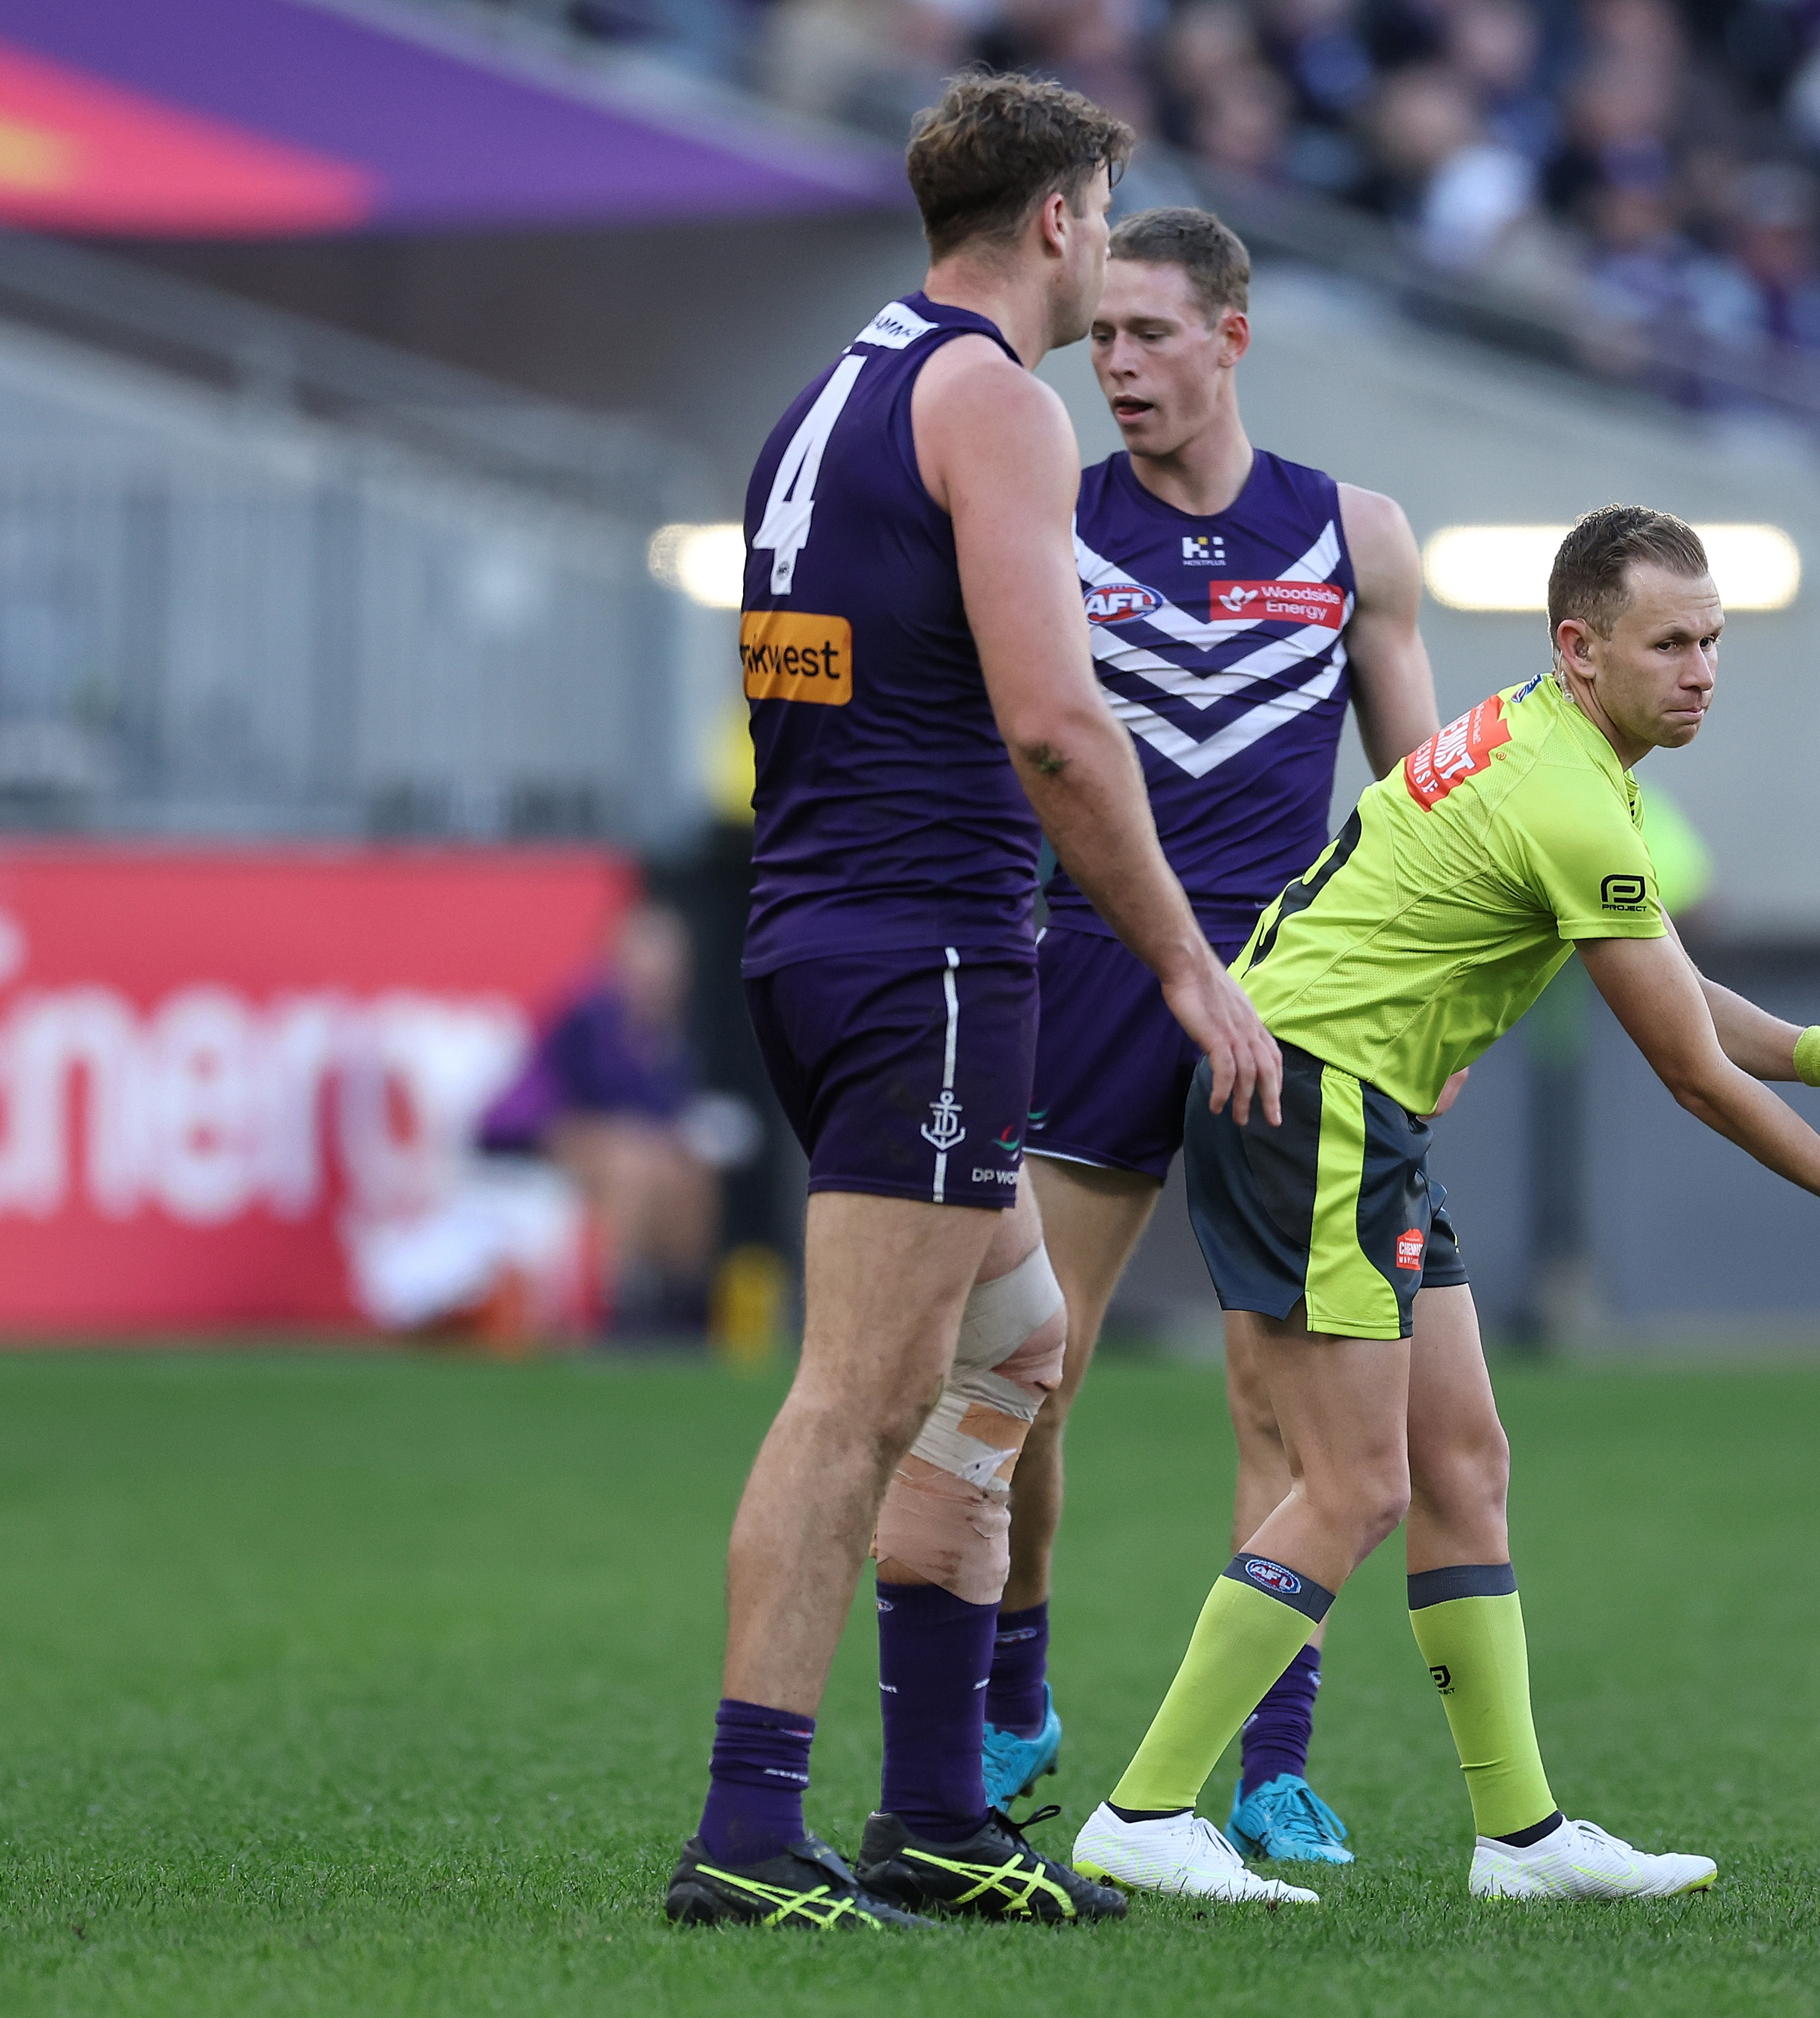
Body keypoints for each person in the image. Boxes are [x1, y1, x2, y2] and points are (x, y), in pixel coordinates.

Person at [1067, 505, 1820, 1905]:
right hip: (1321, 1102)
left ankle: (1518, 1840)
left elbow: (1667, 972)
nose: (1703, 668)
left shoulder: (1556, 742)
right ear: (1579, 648)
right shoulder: (1574, 795)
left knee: (1466, 1463)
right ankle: (1144, 1808)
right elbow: (1693, 1076)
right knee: (1353, 1486)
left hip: (1353, 1104)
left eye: (1713, 641)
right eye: (1671, 643)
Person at [661, 73, 1283, 1936]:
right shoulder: (992, 397)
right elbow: (1050, 721)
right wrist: (1183, 960)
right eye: (1106, 211)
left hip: (815, 938)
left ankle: (933, 1813)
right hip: (924, 954)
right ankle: (746, 1838)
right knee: (856, 1400)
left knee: (1015, 1351)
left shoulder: (825, 390)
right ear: (1062, 224)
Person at [975, 205, 1446, 1868]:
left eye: (1148, 335)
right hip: (1096, 968)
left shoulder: (1353, 534)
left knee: (1286, 1413)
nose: (1114, 367)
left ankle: (1273, 1766)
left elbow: (1423, 807)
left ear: (1231, 337)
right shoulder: (1047, 520)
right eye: (1097, 338)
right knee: (1026, 1368)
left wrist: (1424, 1003)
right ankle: (1014, 1681)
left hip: (1296, 997)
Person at [479, 901, 746, 1334]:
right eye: (651, 956)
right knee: (631, 1162)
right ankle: (614, 1305)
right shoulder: (588, 1014)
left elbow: (663, 1112)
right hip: (531, 1134)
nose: (662, 971)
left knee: (692, 1172)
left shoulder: (670, 1033)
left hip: (613, 1138)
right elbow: (593, 1097)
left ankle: (683, 1307)